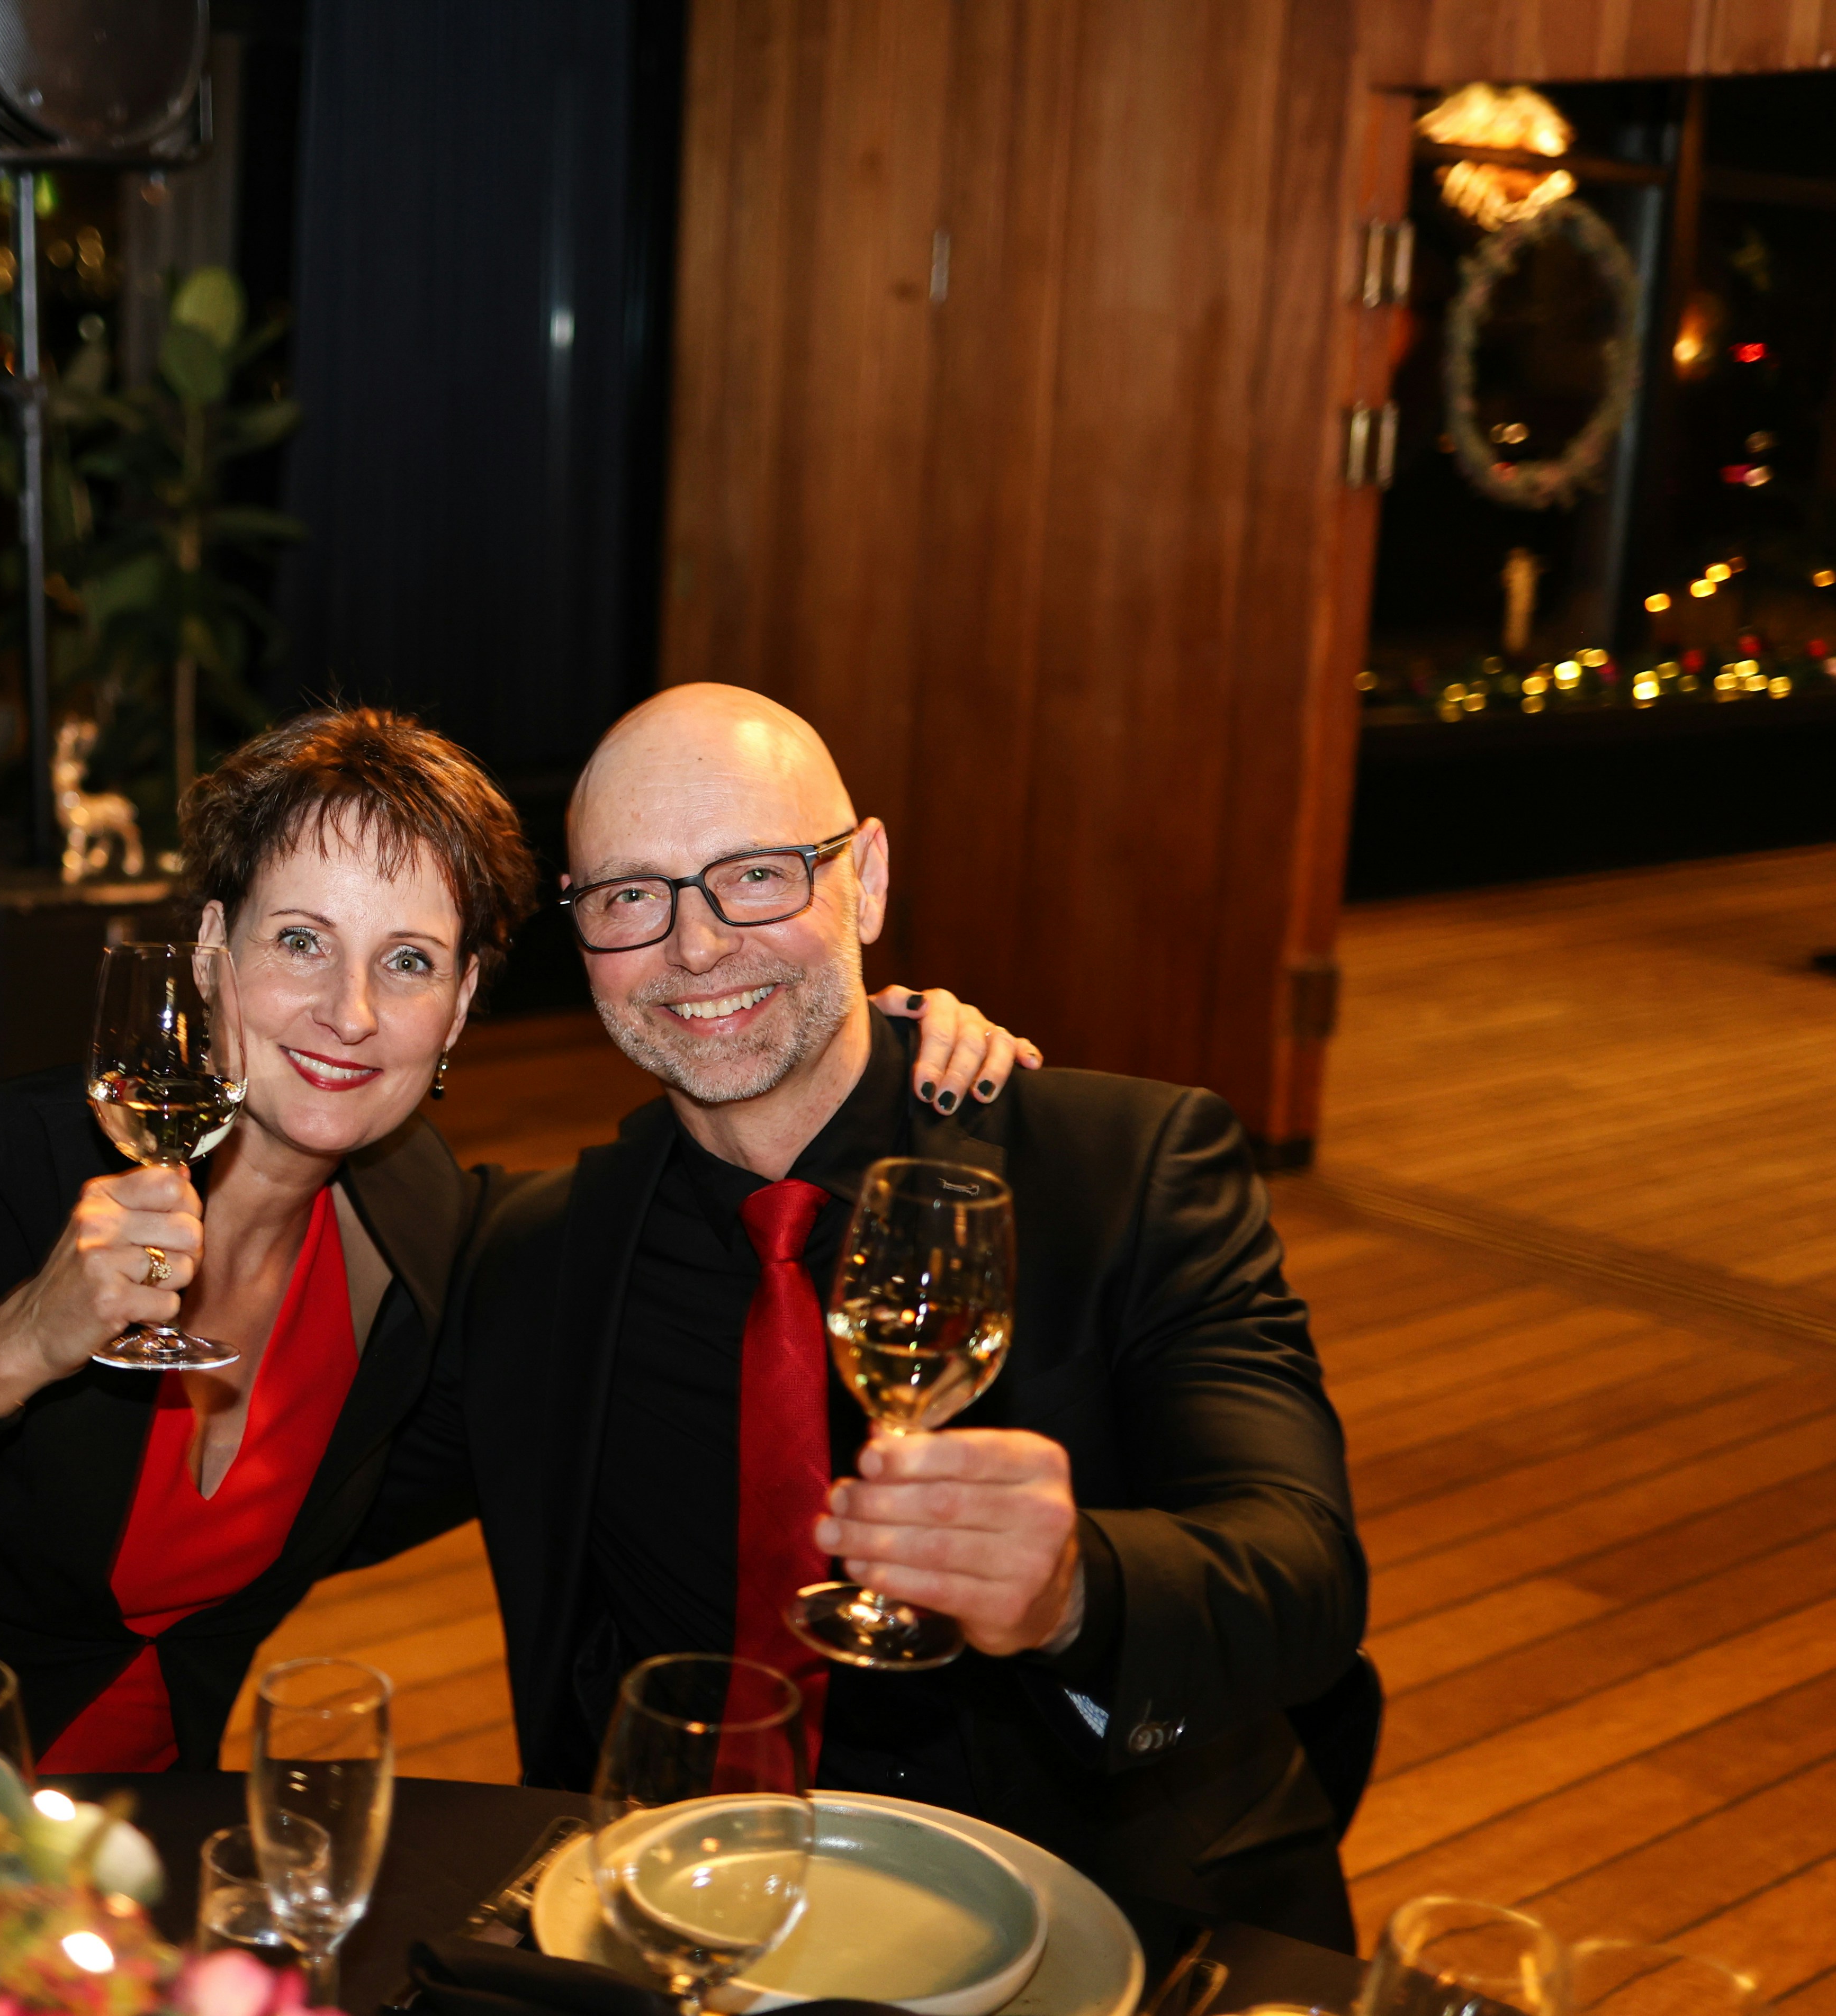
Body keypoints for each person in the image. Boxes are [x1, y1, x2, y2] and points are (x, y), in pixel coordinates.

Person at [0, 705, 1029, 1771]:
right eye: (299, 941)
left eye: (407, 963)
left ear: (455, 1015)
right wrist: (18, 1341)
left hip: (146, 1836)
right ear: (210, 950)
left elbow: (729, 1217)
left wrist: (880, 1038)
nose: (347, 1012)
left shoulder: (435, 1236)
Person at [361, 683, 1365, 1947]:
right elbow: (299, 1504)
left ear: (867, 880)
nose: (697, 945)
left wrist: (1071, 1589)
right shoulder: (536, 1259)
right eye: (631, 895)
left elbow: (1306, 1570)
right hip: (694, 1927)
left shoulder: (1118, 1166)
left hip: (1107, 1921)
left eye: (757, 876)